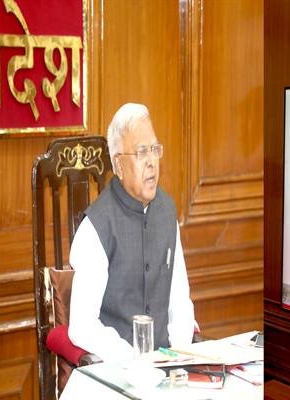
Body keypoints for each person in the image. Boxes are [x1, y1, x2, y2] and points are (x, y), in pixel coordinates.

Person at [68, 103, 195, 362]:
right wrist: (134, 360)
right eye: (141, 152)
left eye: (155, 150)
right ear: (119, 165)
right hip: (117, 368)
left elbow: (180, 301)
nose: (151, 162)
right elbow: (82, 325)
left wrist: (180, 358)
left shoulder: (167, 212)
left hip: (167, 366)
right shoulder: (96, 227)